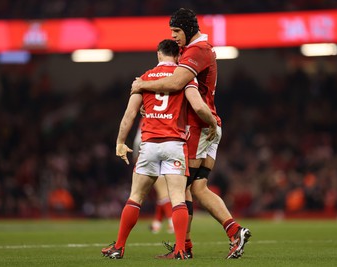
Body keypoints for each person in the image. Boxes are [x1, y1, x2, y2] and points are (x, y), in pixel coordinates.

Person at [131, 8, 251, 259]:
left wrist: (142, 85)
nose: (174, 36)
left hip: (199, 125)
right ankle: (230, 233)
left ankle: (185, 247)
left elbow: (176, 83)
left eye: (176, 31)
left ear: (187, 28)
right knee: (197, 187)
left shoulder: (198, 51)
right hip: (207, 124)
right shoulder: (195, 49)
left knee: (181, 185)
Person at [101, 39, 218, 260]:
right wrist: (212, 123)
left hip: (149, 145)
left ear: (158, 54)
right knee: (177, 199)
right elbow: (198, 106)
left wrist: (120, 142)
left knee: (135, 197)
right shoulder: (185, 77)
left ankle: (119, 247)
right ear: (178, 57)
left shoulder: (143, 79)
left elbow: (129, 115)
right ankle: (181, 249)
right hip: (174, 145)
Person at [133, 118, 174, 234]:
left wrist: (136, 156)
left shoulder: (147, 117)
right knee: (162, 192)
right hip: (169, 151)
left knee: (162, 191)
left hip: (150, 153)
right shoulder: (165, 115)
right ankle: (157, 222)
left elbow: (138, 140)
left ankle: (172, 222)